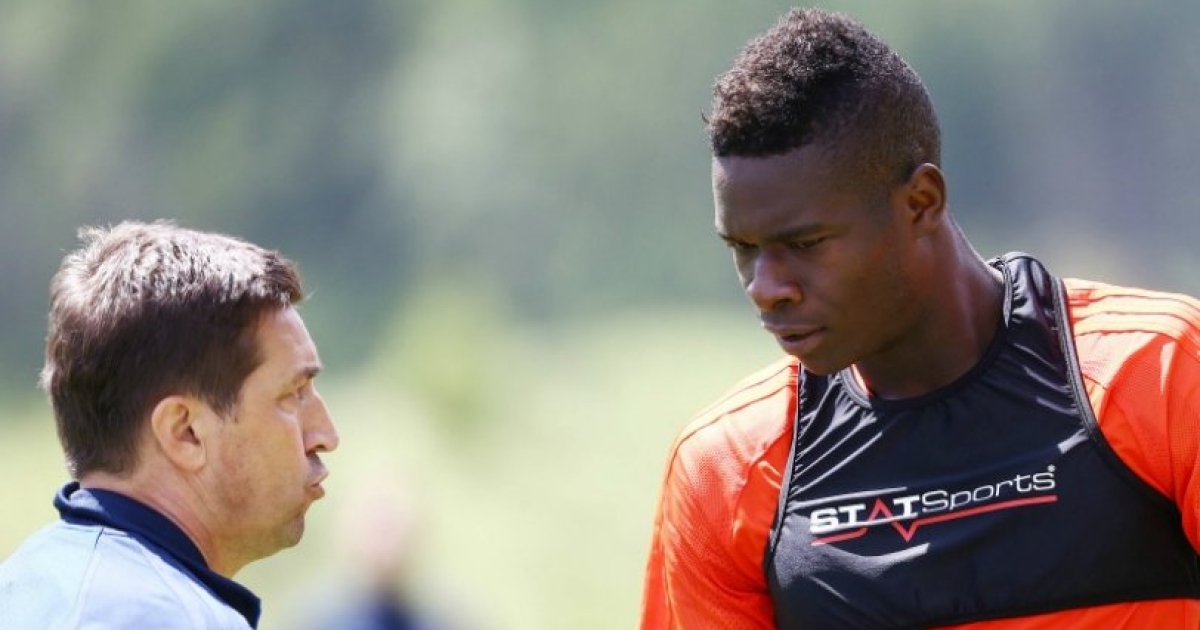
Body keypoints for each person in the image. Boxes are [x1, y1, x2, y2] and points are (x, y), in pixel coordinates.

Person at [640, 7, 1200, 630]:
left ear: (920, 203)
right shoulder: (724, 469)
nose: (765, 288)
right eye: (743, 248)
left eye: (805, 244)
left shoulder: (1162, 374)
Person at [0, 221, 340, 629]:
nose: (325, 435)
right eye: (292, 394)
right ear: (186, 433)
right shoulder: (148, 617)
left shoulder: (28, 585)